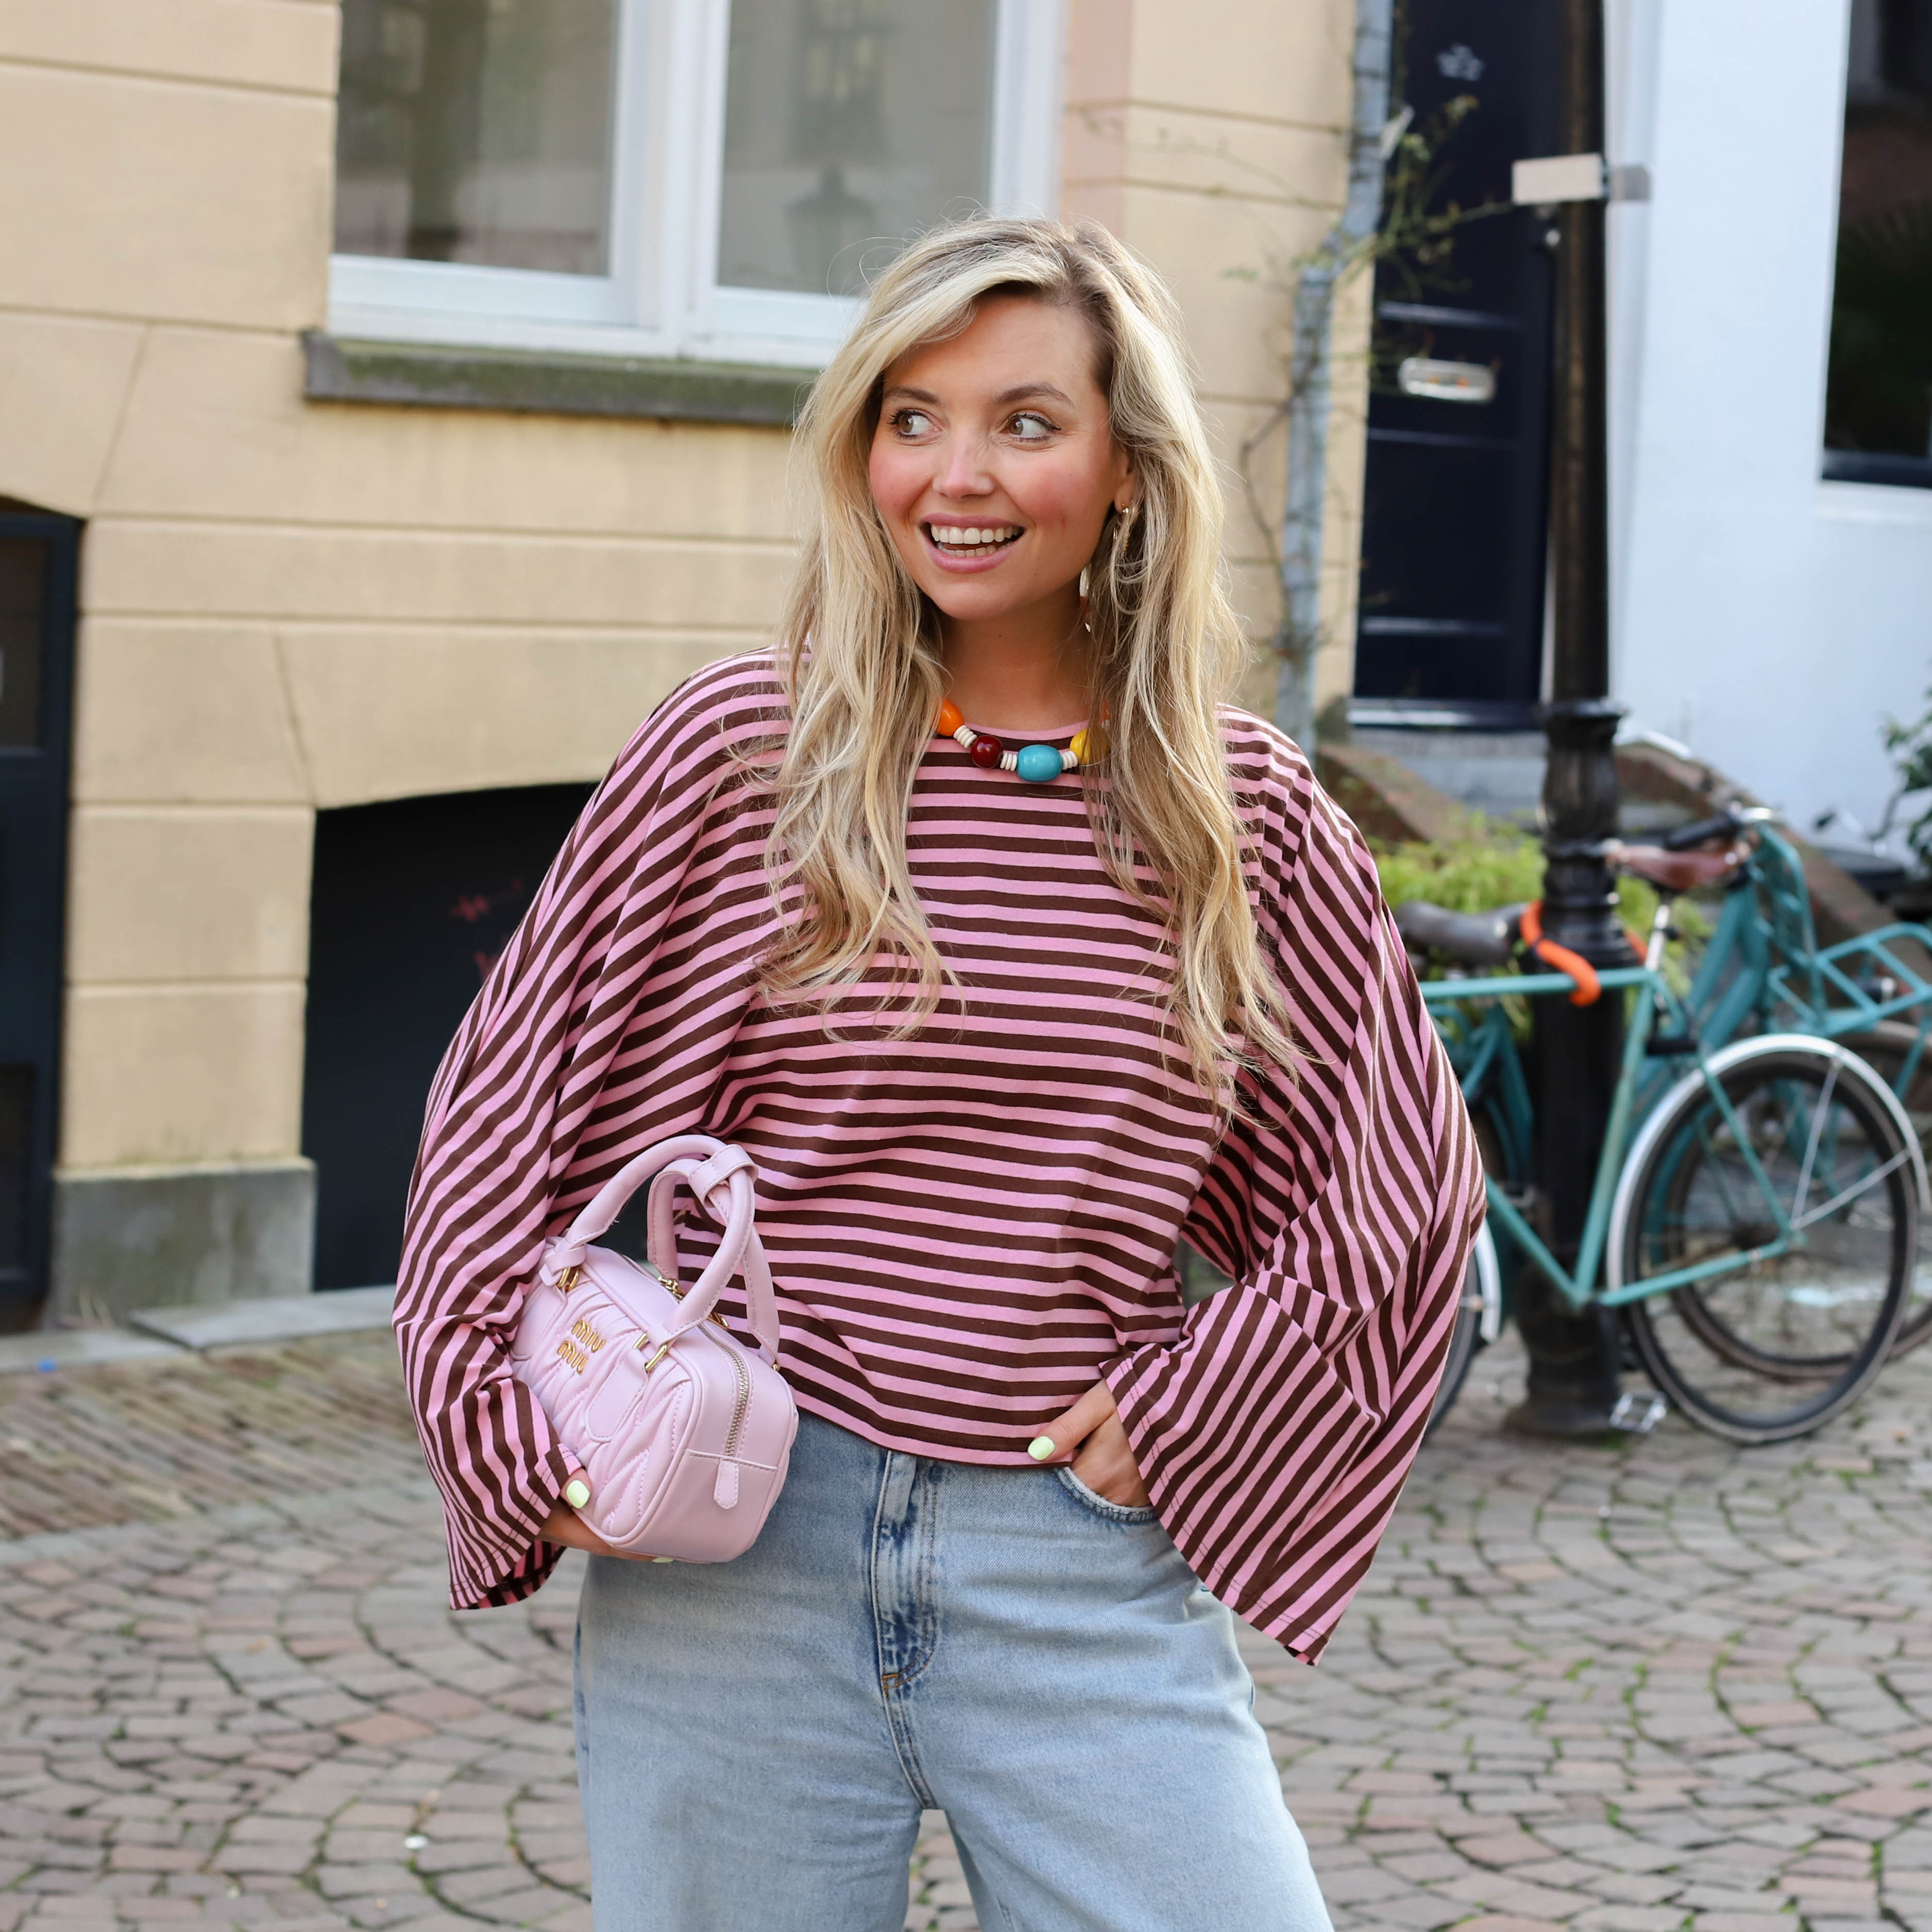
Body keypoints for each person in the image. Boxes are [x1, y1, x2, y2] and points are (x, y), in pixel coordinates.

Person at [395, 215, 1483, 1932]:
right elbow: (511, 1100)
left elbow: (1399, 1179)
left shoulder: (1240, 816)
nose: (956, 475)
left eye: (1025, 423)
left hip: (1072, 1563)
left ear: (1128, 471)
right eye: (912, 418)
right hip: (737, 1560)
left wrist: (1201, 1405)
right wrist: (512, 1431)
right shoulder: (745, 753)